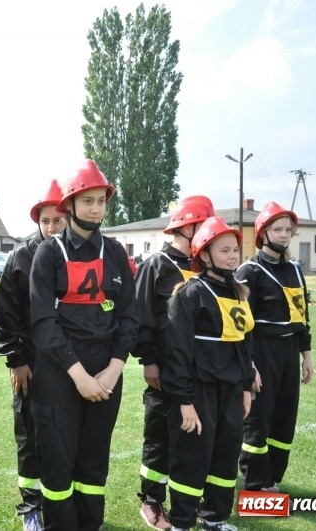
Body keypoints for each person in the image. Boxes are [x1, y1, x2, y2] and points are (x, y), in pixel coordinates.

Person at [29, 160, 138, 530]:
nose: (95, 208)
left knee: (94, 460)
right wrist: (77, 374)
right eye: (87, 200)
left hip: (107, 369)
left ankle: (90, 524)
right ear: (70, 206)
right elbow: (43, 323)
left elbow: (129, 316)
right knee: (59, 460)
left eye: (101, 201)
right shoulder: (49, 253)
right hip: (60, 371)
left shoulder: (117, 253)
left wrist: (114, 368)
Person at [161, 216, 255, 531]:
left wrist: (245, 388)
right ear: (204, 255)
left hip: (230, 392)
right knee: (192, 457)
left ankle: (215, 517)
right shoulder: (189, 295)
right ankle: (182, 522)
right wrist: (184, 402)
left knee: (225, 455)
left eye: (235, 251)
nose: (232, 256)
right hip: (198, 392)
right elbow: (176, 354)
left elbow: (244, 345)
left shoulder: (239, 293)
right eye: (224, 250)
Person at [132, 196, 215, 530]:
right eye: (204, 226)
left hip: (198, 370)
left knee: (191, 436)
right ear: (187, 226)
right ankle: (151, 501)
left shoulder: (203, 267)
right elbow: (141, 318)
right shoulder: (158, 265)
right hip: (164, 369)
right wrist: (149, 361)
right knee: (160, 436)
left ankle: (188, 500)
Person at [0, 178, 66, 531]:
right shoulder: (22, 255)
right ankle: (31, 506)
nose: (52, 227)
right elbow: (5, 313)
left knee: (65, 436)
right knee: (31, 435)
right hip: (33, 362)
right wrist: (17, 361)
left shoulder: (82, 254)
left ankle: (61, 504)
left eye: (59, 220)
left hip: (72, 362)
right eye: (46, 220)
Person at [236, 201, 314, 493]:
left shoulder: (295, 271)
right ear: (263, 233)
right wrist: (250, 364)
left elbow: (303, 317)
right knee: (259, 419)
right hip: (262, 353)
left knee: (284, 417)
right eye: (277, 229)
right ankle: (256, 483)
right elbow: (242, 325)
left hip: (288, 353)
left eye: (288, 230)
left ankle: (274, 479)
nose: (283, 235)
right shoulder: (249, 271)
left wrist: (306, 356)